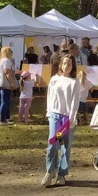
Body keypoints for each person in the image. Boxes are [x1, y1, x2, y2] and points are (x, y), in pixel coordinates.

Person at [41, 54, 80, 187]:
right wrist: (49, 112)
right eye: (64, 63)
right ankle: (50, 171)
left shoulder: (75, 82)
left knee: (65, 146)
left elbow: (75, 102)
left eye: (69, 64)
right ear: (60, 64)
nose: (66, 66)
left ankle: (62, 174)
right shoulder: (54, 79)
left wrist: (72, 118)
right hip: (55, 115)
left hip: (67, 119)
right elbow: (50, 96)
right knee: (53, 142)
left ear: (73, 66)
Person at [0, 46, 18, 125]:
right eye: (10, 51)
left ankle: (7, 117)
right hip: (6, 83)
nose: (12, 52)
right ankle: (2, 120)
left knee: (7, 101)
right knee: (5, 101)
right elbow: (7, 72)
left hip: (3, 82)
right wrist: (12, 82)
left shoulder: (2, 60)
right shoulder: (6, 61)